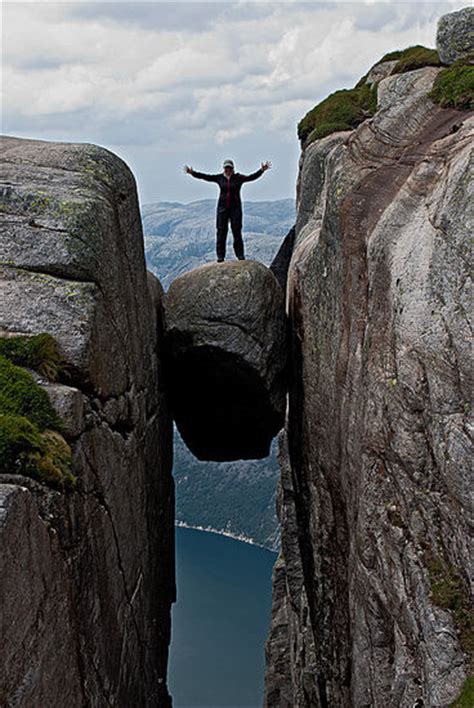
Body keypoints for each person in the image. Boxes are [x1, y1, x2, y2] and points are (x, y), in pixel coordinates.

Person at [184, 159, 272, 262]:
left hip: (235, 209)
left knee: (237, 232)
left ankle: (240, 256)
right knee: (221, 232)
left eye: (229, 168)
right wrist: (192, 173)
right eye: (226, 168)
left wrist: (261, 170)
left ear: (232, 168)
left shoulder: (238, 178)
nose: (227, 170)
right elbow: (205, 177)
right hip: (222, 209)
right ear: (223, 168)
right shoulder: (219, 178)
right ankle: (220, 257)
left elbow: (251, 177)